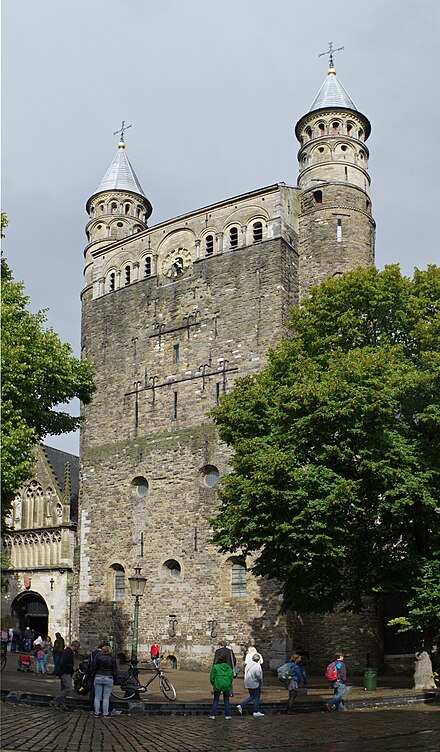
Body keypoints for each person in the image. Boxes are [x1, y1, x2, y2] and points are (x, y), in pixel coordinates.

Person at [49, 639, 80, 710]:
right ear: (76, 647)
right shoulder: (68, 652)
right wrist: (69, 670)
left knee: (64, 689)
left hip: (64, 672)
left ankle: (62, 704)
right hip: (65, 673)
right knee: (68, 688)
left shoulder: (67, 651)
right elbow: (63, 663)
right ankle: (55, 701)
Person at [92, 644, 118, 717]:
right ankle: (105, 713)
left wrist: (93, 674)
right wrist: (115, 679)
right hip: (108, 677)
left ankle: (96, 712)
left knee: (97, 696)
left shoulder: (98, 656)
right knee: (106, 697)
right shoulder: (112, 658)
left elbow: (94, 667)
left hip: (98, 676)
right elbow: (114, 670)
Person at [236, 652, 264, 717]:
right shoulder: (257, 665)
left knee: (252, 696)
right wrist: (260, 681)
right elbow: (258, 675)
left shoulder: (248, 665)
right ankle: (256, 711)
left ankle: (241, 705)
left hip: (248, 682)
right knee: (257, 697)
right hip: (255, 683)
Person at [209, 650, 234, 720]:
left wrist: (213, 683)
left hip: (218, 684)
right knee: (226, 700)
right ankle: (228, 715)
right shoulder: (229, 668)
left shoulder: (215, 667)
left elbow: (212, 677)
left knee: (216, 700)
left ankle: (213, 715)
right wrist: (229, 684)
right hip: (226, 685)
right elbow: (231, 677)